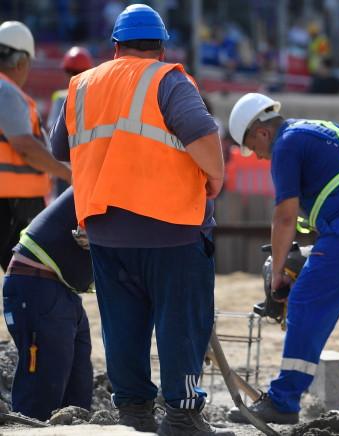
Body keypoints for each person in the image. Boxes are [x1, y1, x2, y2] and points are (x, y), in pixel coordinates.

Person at [49, 4, 229, 435]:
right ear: (161, 47)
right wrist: (215, 179)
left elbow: (60, 148)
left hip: (108, 233)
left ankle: (133, 416)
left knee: (123, 325)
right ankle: (183, 416)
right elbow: (202, 137)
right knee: (180, 323)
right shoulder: (167, 80)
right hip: (173, 230)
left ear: (115, 46)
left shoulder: (81, 86)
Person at [226, 93, 339, 423]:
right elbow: (337, 191)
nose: (259, 157)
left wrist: (278, 273)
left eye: (253, 147)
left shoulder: (285, 145)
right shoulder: (322, 128)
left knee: (305, 299)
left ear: (261, 132)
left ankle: (284, 400)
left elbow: (284, 217)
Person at [2, 187, 93, 421]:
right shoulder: (111, 179)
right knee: (41, 395)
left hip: (62, 289)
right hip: (37, 284)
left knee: (77, 392)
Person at [0, 21, 72, 271]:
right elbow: (25, 147)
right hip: (14, 202)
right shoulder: (6, 92)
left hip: (13, 200)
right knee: (34, 273)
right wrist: (67, 173)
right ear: (21, 62)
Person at [47, 46, 94, 196]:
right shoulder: (96, 95)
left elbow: (53, 135)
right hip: (89, 167)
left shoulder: (61, 97)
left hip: (67, 168)